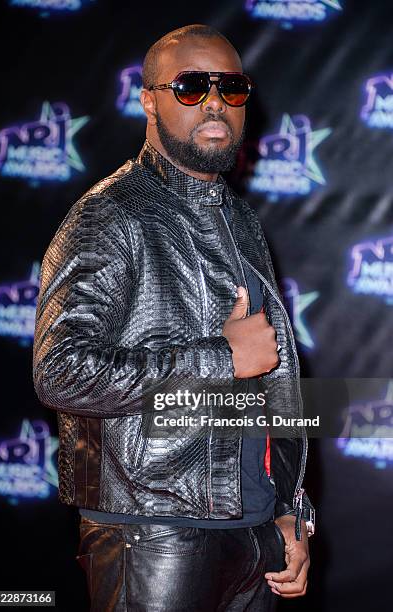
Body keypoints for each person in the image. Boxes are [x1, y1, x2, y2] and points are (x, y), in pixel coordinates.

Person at [33, 23, 315, 612]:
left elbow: (269, 386)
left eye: (231, 87)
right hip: (151, 528)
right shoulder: (109, 215)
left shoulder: (241, 221)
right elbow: (60, 370)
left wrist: (290, 509)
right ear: (148, 100)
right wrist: (220, 358)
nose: (214, 101)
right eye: (190, 85)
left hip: (255, 531)